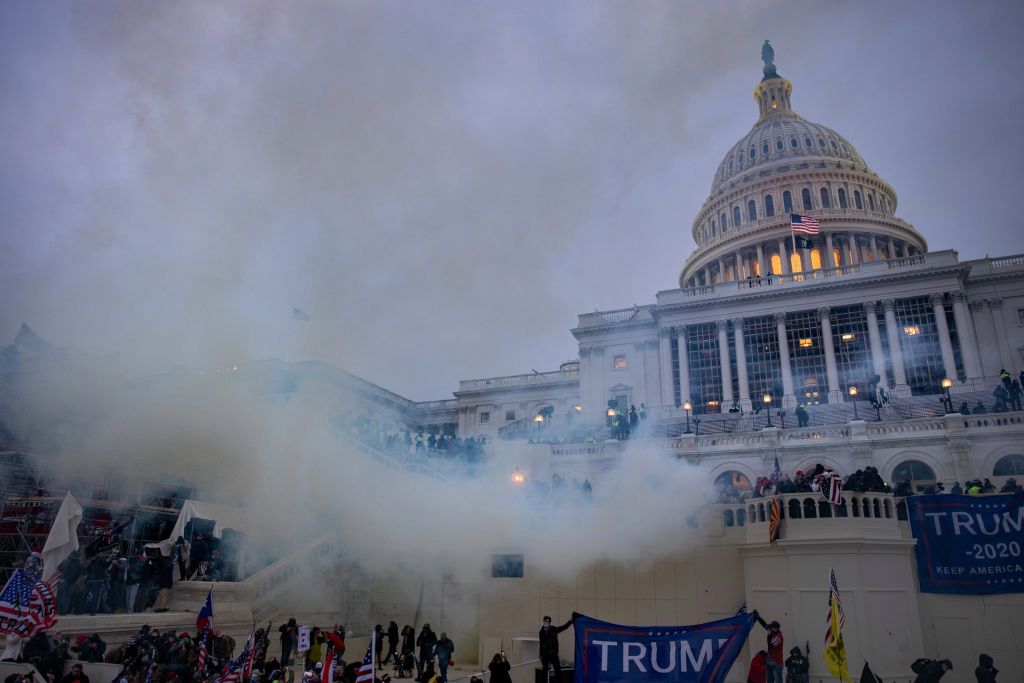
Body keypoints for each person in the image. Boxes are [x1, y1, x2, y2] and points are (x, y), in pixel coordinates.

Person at [539, 615, 574, 682]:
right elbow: (541, 644)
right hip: (545, 655)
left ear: (549, 622)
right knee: (544, 671)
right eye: (545, 621)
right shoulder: (541, 632)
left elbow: (564, 627)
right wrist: (540, 655)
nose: (545, 622)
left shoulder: (553, 629)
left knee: (558, 670)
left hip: (553, 654)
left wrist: (571, 621)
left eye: (547, 621)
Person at [753, 612, 783, 683]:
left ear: (775, 628)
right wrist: (758, 617)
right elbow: (765, 625)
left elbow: (772, 645)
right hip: (769, 663)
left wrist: (769, 636)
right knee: (769, 680)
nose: (769, 629)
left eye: (771, 628)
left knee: (778, 681)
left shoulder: (779, 637)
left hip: (776, 664)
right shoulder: (773, 632)